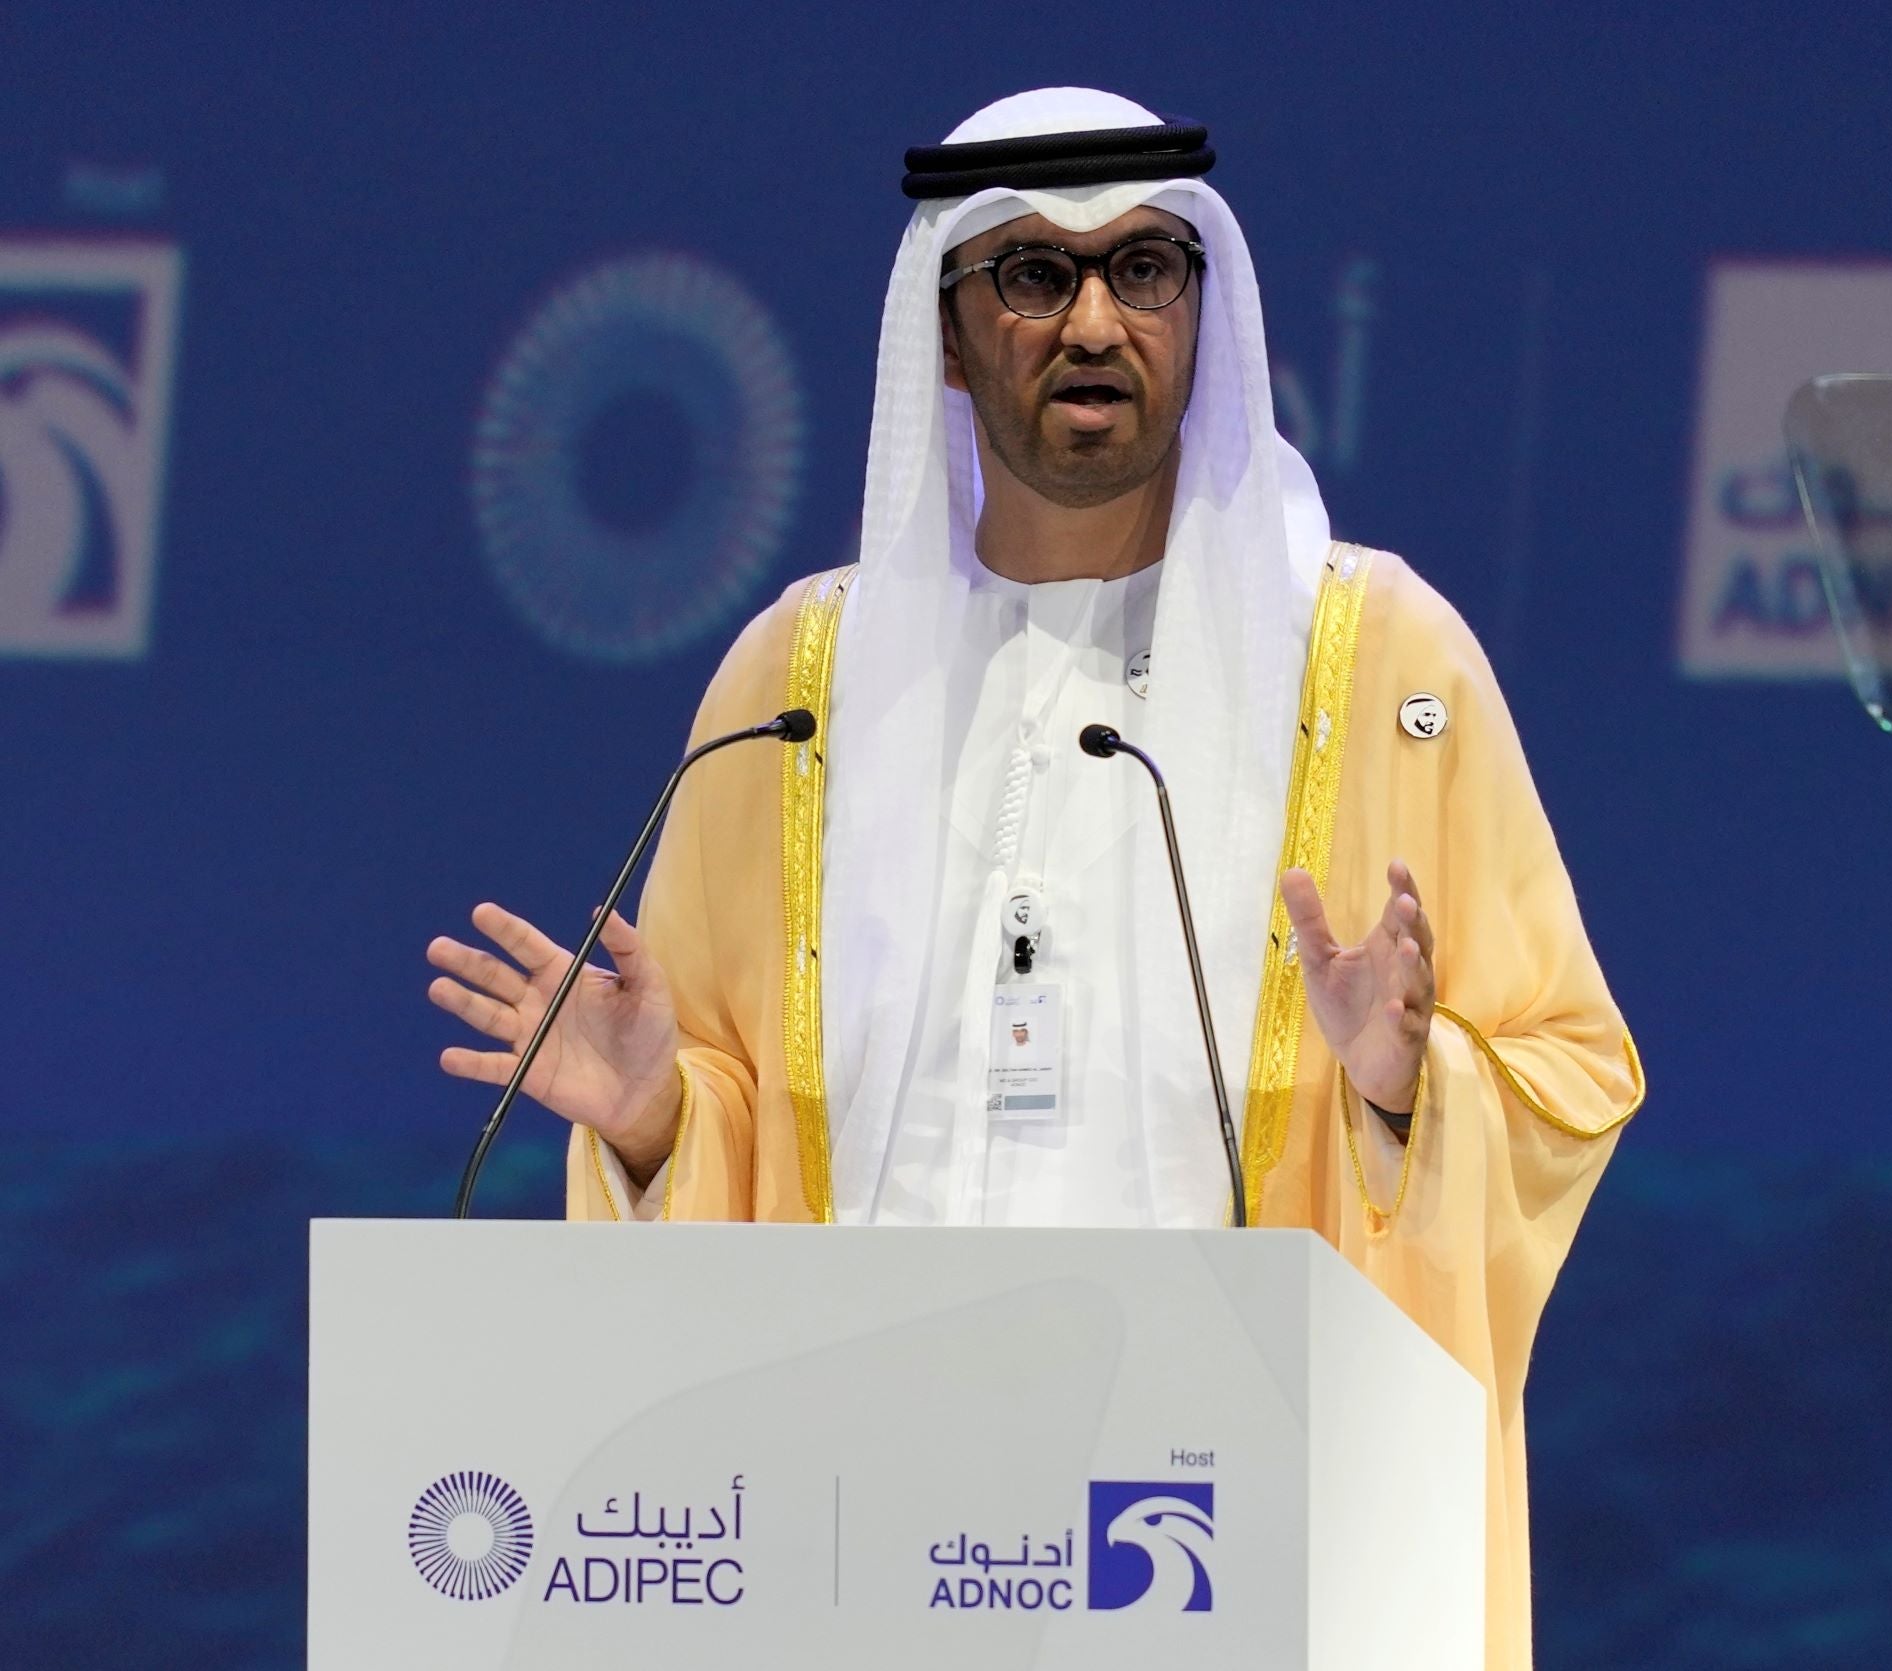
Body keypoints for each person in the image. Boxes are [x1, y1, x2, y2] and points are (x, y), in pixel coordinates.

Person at [424, 85, 1641, 1668]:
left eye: (1144, 271)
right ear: (944, 327)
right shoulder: (798, 681)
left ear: (1203, 313)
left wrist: (1412, 1090)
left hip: (1222, 1541)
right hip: (868, 1534)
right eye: (1031, 275)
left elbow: (1570, 1075)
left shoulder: (1378, 657)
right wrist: (659, 1122)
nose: (1093, 321)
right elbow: (746, 1162)